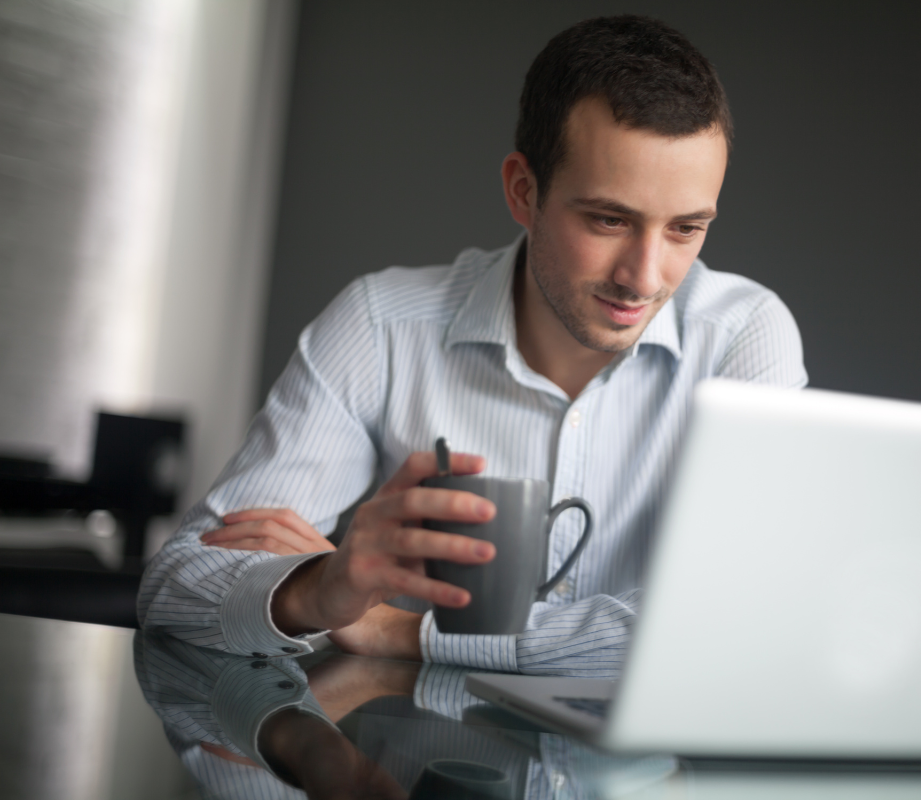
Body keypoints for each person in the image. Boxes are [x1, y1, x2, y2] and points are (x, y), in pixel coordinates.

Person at [138, 15, 807, 674]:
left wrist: (404, 631)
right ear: (524, 190)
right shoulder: (381, 326)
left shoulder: (743, 337)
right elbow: (175, 585)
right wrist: (315, 591)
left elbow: (738, 619)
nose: (645, 274)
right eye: (609, 220)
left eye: (686, 229)